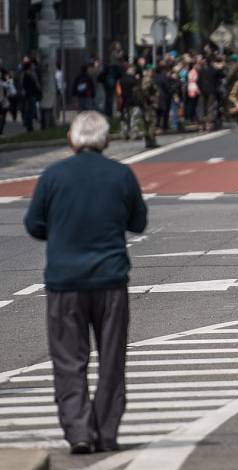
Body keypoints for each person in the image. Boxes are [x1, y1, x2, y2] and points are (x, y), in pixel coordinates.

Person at [24, 111, 147, 454]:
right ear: (107, 141)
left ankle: (78, 431)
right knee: (111, 358)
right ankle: (106, 431)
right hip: (110, 280)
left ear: (72, 140)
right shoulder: (121, 175)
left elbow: (34, 224)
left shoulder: (52, 175)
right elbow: (138, 221)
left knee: (68, 360)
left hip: (65, 282)